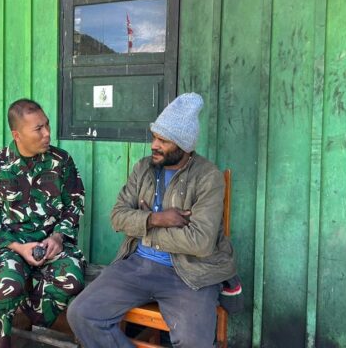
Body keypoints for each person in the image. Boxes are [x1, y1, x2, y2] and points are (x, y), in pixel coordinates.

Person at [68, 92, 237, 348]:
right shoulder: (143, 168)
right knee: (81, 314)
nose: (154, 145)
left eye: (163, 141)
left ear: (184, 145)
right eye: (154, 137)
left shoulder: (207, 177)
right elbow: (117, 217)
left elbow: (200, 242)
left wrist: (143, 228)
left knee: (194, 342)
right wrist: (157, 218)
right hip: (137, 264)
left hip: (189, 272)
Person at [0, 98, 85, 348]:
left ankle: (3, 314)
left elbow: (74, 204)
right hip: (11, 246)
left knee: (71, 280)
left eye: (47, 125)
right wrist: (17, 247)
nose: (47, 133)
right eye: (38, 129)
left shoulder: (61, 161)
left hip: (53, 244)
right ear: (17, 135)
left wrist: (58, 237)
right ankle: (0, 329)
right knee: (9, 286)